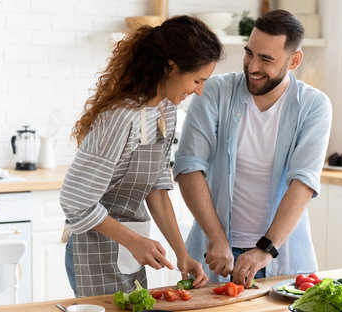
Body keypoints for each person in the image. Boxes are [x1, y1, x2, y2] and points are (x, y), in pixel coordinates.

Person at [59, 15, 223, 297]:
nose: (199, 90)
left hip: (130, 252)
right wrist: (134, 242)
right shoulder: (121, 118)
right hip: (94, 252)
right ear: (171, 67)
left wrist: (182, 254)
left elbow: (156, 189)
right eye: (197, 80)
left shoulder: (165, 111)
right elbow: (75, 200)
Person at [173, 9, 332, 286]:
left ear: (294, 60)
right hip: (214, 254)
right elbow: (189, 167)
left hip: (280, 256)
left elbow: (303, 182)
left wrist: (266, 249)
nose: (253, 66)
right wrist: (216, 236)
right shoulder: (213, 92)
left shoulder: (314, 106)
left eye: (266, 59)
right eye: (250, 53)